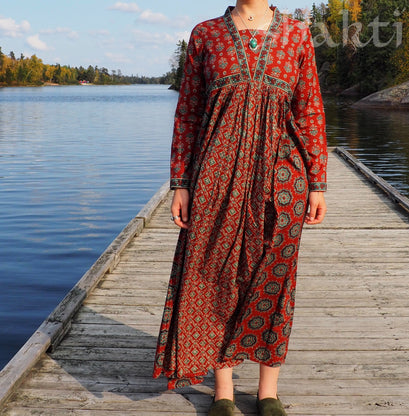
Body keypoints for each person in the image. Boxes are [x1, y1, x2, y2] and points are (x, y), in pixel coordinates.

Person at [153, 0, 327, 415]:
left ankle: (268, 391)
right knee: (214, 274)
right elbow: (189, 114)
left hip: (283, 175)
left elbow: (310, 110)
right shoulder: (206, 33)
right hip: (215, 172)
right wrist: (180, 182)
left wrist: (318, 182)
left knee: (275, 275)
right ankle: (224, 391)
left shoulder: (297, 34)